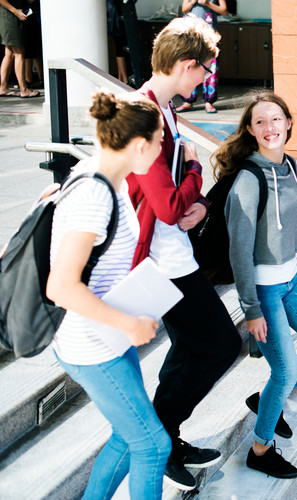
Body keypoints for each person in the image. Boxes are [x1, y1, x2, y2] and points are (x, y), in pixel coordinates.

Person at [127, 16, 242, 491]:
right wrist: (195, 172)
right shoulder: (145, 115)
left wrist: (191, 202)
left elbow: (174, 205)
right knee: (220, 345)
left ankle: (166, 438)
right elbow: (168, 205)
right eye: (203, 71)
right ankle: (159, 436)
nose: (205, 79)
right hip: (159, 262)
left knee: (193, 346)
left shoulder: (163, 109)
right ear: (185, 64)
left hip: (172, 254)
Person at [214, 90, 297, 478]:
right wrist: (251, 309)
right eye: (260, 122)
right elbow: (239, 251)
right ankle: (260, 448)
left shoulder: (289, 167)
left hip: (292, 282)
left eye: (276, 119)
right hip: (263, 292)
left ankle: (265, 399)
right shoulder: (249, 179)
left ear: (289, 122)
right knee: (285, 372)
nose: (270, 127)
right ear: (251, 130)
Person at [47, 90, 170, 499]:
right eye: (158, 143)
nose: (159, 151)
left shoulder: (99, 176)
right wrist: (128, 322)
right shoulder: (95, 194)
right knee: (153, 446)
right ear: (139, 146)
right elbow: (61, 286)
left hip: (106, 338)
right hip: (91, 343)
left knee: (129, 436)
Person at [175, 0, 227, 113]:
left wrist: (208, 3)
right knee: (188, 67)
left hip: (210, 37)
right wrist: (193, 2)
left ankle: (209, 102)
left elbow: (224, 11)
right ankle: (188, 101)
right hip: (192, 36)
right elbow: (184, 9)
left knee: (211, 69)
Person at [0, 0, 39, 98]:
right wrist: (15, 11)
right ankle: (23, 89)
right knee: (19, 53)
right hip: (11, 18)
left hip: (9, 17)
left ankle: (3, 87)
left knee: (9, 53)